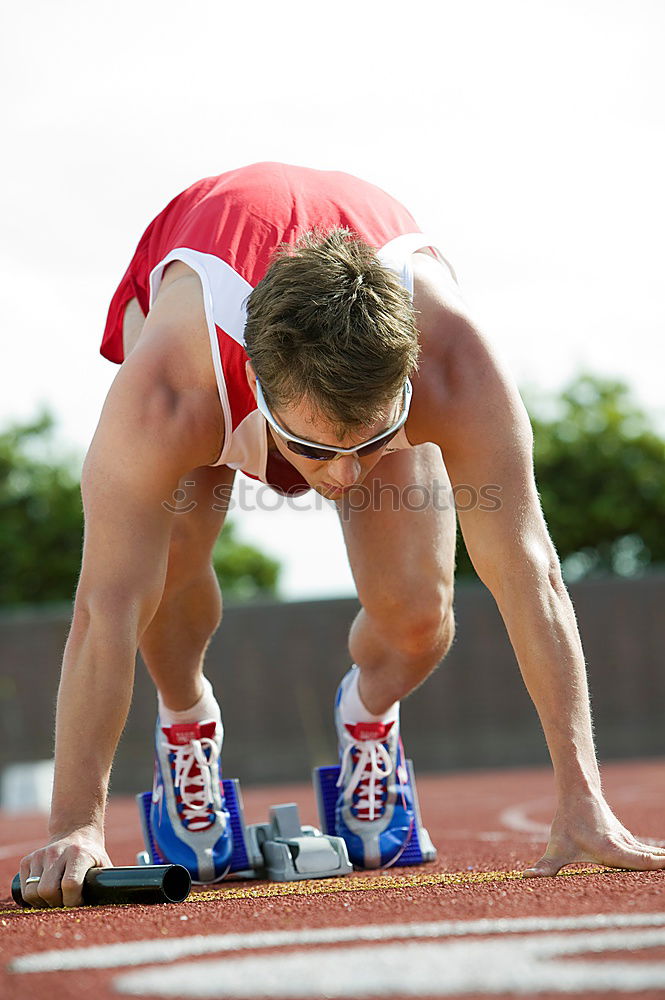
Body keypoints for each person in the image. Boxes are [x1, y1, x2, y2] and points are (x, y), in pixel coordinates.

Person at [19, 162, 665, 906]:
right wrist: (77, 824)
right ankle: (186, 723)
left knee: (418, 616)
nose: (344, 480)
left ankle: (368, 718)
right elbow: (104, 609)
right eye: (316, 453)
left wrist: (582, 795)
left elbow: (531, 572)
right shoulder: (169, 390)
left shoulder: (457, 364)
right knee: (164, 575)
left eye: (372, 442)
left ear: (408, 373)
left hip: (355, 362)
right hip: (199, 288)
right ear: (256, 387)